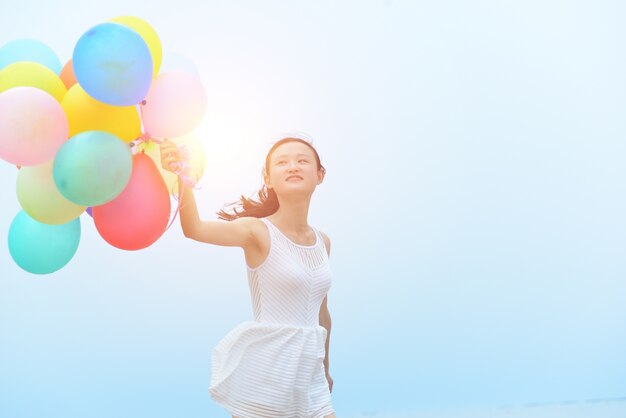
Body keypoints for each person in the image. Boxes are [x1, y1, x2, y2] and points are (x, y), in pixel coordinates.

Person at [159, 136, 337, 418]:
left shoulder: (322, 241)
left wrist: (326, 368)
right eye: (282, 162)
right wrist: (183, 178)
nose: (293, 166)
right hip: (268, 374)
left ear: (320, 175)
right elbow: (194, 228)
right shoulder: (256, 232)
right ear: (268, 178)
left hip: (310, 376)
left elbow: (322, 315)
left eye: (302, 160)